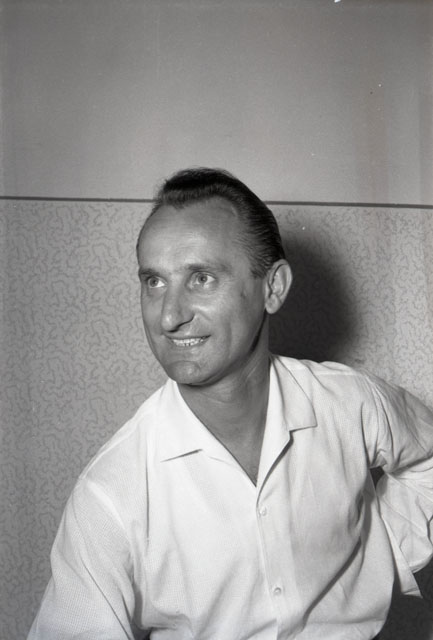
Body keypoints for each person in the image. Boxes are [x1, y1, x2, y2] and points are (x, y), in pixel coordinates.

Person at [28, 168, 433, 640]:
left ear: (273, 288)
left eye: (201, 278)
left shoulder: (351, 403)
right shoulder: (111, 493)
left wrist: (382, 559)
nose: (169, 316)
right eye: (154, 282)